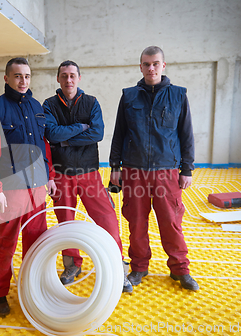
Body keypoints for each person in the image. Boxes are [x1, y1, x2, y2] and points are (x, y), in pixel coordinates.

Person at [109, 46, 199, 291]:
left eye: (155, 63)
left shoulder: (178, 95)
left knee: (171, 222)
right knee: (136, 222)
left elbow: (186, 134)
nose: (151, 68)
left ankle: (180, 269)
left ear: (163, 65)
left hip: (166, 171)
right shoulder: (128, 96)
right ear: (140, 67)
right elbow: (119, 133)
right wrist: (114, 167)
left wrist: (187, 169)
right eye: (146, 64)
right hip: (133, 171)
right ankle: (139, 267)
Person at [43, 60, 133, 293]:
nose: (68, 80)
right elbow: (51, 134)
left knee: (107, 219)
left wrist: (64, 138)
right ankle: (72, 265)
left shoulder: (91, 102)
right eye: (64, 76)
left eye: (72, 75)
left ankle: (117, 265)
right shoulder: (49, 105)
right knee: (66, 223)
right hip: (62, 175)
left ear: (79, 78)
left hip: (89, 173)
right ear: (58, 79)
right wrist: (80, 128)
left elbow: (98, 133)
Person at [0, 57, 57, 317]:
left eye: (26, 76)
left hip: (36, 188)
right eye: (17, 76)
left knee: (35, 242)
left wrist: (50, 176)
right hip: (9, 189)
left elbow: (44, 147)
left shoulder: (36, 107)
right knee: (5, 242)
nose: (23, 81)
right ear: (6, 78)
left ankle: (30, 286)